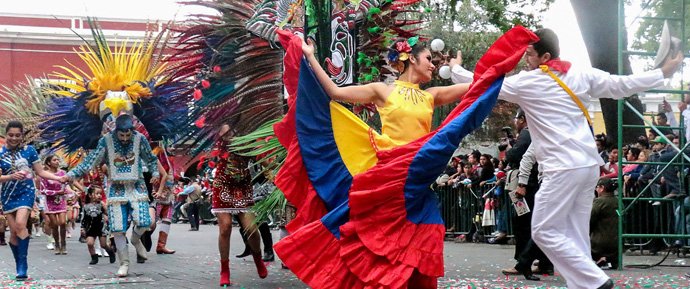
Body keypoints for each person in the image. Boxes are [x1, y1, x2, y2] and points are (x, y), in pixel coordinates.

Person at [491, 28, 683, 289]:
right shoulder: (579, 74)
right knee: (575, 234)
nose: (526, 58)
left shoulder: (529, 82)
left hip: (562, 169)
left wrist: (453, 70)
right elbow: (622, 85)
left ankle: (595, 281)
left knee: (544, 230)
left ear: (545, 56)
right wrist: (662, 73)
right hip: (587, 166)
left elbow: (486, 84)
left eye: (529, 54)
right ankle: (584, 285)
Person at [61, 114, 160, 278]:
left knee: (145, 222)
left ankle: (136, 240)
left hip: (137, 187)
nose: (125, 138)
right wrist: (70, 175)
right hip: (116, 189)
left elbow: (150, 158)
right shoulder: (106, 141)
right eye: (122, 135)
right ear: (116, 132)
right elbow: (90, 162)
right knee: (118, 229)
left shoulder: (140, 138)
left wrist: (155, 172)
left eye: (128, 134)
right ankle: (124, 263)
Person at [0, 121, 65, 280]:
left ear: (22, 136)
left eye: (17, 135)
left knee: (21, 224)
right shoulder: (0, 153)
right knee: (14, 234)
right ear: (6, 135)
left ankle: (23, 265)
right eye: (11, 135)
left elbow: (41, 172)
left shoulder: (30, 151)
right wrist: (10, 176)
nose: (14, 138)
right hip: (8, 194)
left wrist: (59, 178)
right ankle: (19, 265)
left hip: (26, 192)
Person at [212, 123, 267, 286]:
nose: (228, 134)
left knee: (251, 229)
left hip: (243, 187)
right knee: (225, 227)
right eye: (225, 132)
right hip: (222, 186)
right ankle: (225, 269)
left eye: (231, 131)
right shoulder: (219, 142)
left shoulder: (248, 140)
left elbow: (261, 158)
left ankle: (258, 257)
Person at [39, 154, 72, 255]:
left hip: (61, 200)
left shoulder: (63, 173)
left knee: (62, 222)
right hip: (49, 202)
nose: (57, 162)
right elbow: (42, 190)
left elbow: (66, 186)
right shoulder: (44, 174)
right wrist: (55, 192)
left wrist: (70, 194)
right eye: (54, 160)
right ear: (49, 163)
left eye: (58, 160)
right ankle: (57, 244)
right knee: (54, 224)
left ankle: (64, 243)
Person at [82, 186, 116, 265]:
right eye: (97, 193)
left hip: (101, 227)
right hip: (90, 227)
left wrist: (105, 208)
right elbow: (84, 218)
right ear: (90, 195)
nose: (99, 195)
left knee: (103, 245)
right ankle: (94, 257)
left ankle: (111, 252)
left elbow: (107, 214)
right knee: (90, 243)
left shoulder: (101, 204)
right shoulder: (86, 206)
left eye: (100, 194)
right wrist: (83, 228)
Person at [591, 177, 619, 269]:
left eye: (597, 187)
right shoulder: (618, 201)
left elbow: (590, 221)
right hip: (617, 244)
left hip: (600, 244)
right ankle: (609, 259)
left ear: (602, 188)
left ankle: (600, 258)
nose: (596, 189)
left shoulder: (599, 201)